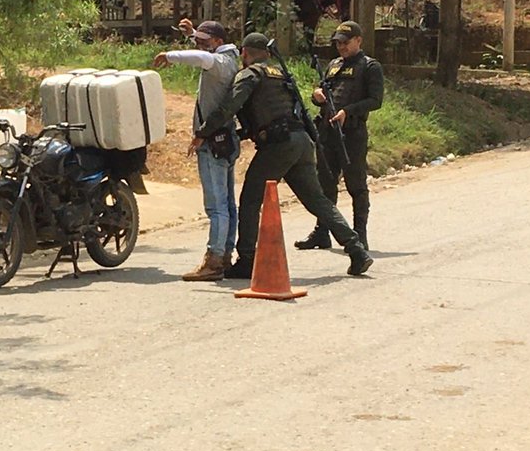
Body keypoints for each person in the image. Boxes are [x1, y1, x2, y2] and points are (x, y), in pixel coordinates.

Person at [195, 33, 373, 279]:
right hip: (300, 142)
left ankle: (247, 259)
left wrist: (204, 131)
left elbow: (230, 106)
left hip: (278, 144)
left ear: (245, 53)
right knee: (317, 200)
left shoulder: (250, 74)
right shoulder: (281, 75)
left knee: (250, 199)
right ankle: (357, 250)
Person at [153, 19, 241, 281]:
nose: (200, 43)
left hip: (212, 142)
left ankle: (214, 260)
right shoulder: (226, 58)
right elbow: (202, 50)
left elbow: (201, 57)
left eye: (205, 40)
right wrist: (191, 34)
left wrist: (169, 55)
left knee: (216, 206)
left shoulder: (221, 64)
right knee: (227, 203)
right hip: (224, 140)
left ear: (218, 43)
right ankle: (224, 254)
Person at [295, 20, 384, 250]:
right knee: (325, 184)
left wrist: (348, 111)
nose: (341, 47)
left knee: (356, 184)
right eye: (338, 43)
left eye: (346, 42)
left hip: (352, 133)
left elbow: (376, 101)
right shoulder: (334, 64)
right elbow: (321, 92)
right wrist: (317, 96)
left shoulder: (370, 66)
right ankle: (322, 232)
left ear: (358, 41)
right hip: (327, 131)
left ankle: (359, 236)